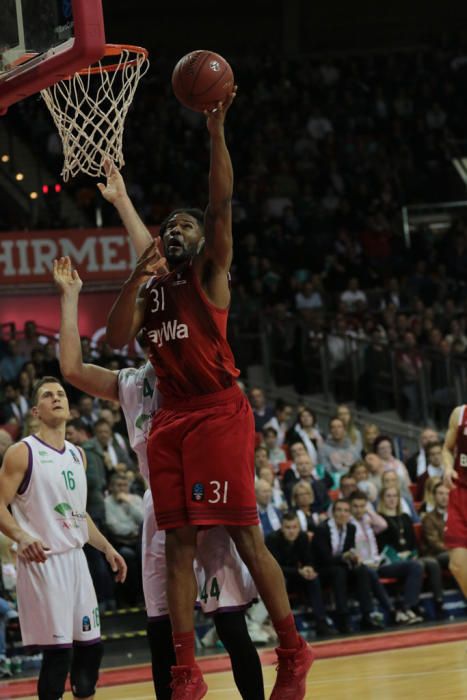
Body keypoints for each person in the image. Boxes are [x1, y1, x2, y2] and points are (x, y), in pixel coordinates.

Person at [104, 90, 313, 698]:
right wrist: (137, 268)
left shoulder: (210, 273)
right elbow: (118, 335)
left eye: (183, 224)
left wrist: (216, 130)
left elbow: (220, 203)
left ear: (200, 240)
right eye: (169, 224)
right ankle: (185, 671)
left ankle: (294, 652)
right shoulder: (153, 289)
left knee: (247, 536)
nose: (175, 229)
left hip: (220, 411)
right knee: (177, 547)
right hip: (171, 421)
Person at [54, 256, 265, 700]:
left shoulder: (200, 368)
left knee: (230, 623)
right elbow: (72, 369)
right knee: (161, 632)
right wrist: (70, 299)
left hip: (205, 499)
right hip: (161, 505)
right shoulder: (131, 382)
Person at [0, 376, 127, 700]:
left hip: (76, 561)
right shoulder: (21, 453)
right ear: (35, 410)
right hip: (44, 562)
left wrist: (107, 547)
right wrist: (20, 535)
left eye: (61, 394)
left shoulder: (77, 455)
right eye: (47, 395)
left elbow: (79, 514)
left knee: (91, 650)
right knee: (59, 655)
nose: (56, 398)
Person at [266, 512, 336, 637]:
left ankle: (321, 623)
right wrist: (299, 571)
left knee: (313, 579)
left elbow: (308, 559)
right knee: (280, 581)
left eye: (294, 527)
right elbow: (274, 568)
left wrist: (309, 568)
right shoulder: (272, 539)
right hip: (279, 577)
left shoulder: (302, 537)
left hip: (296, 575)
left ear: (299, 527)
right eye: (288, 528)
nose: (291, 531)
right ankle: (285, 629)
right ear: (281, 528)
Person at [442, 405, 467, 598]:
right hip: (461, 493)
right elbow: (447, 449)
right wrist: (448, 468)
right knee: (457, 565)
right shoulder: (460, 414)